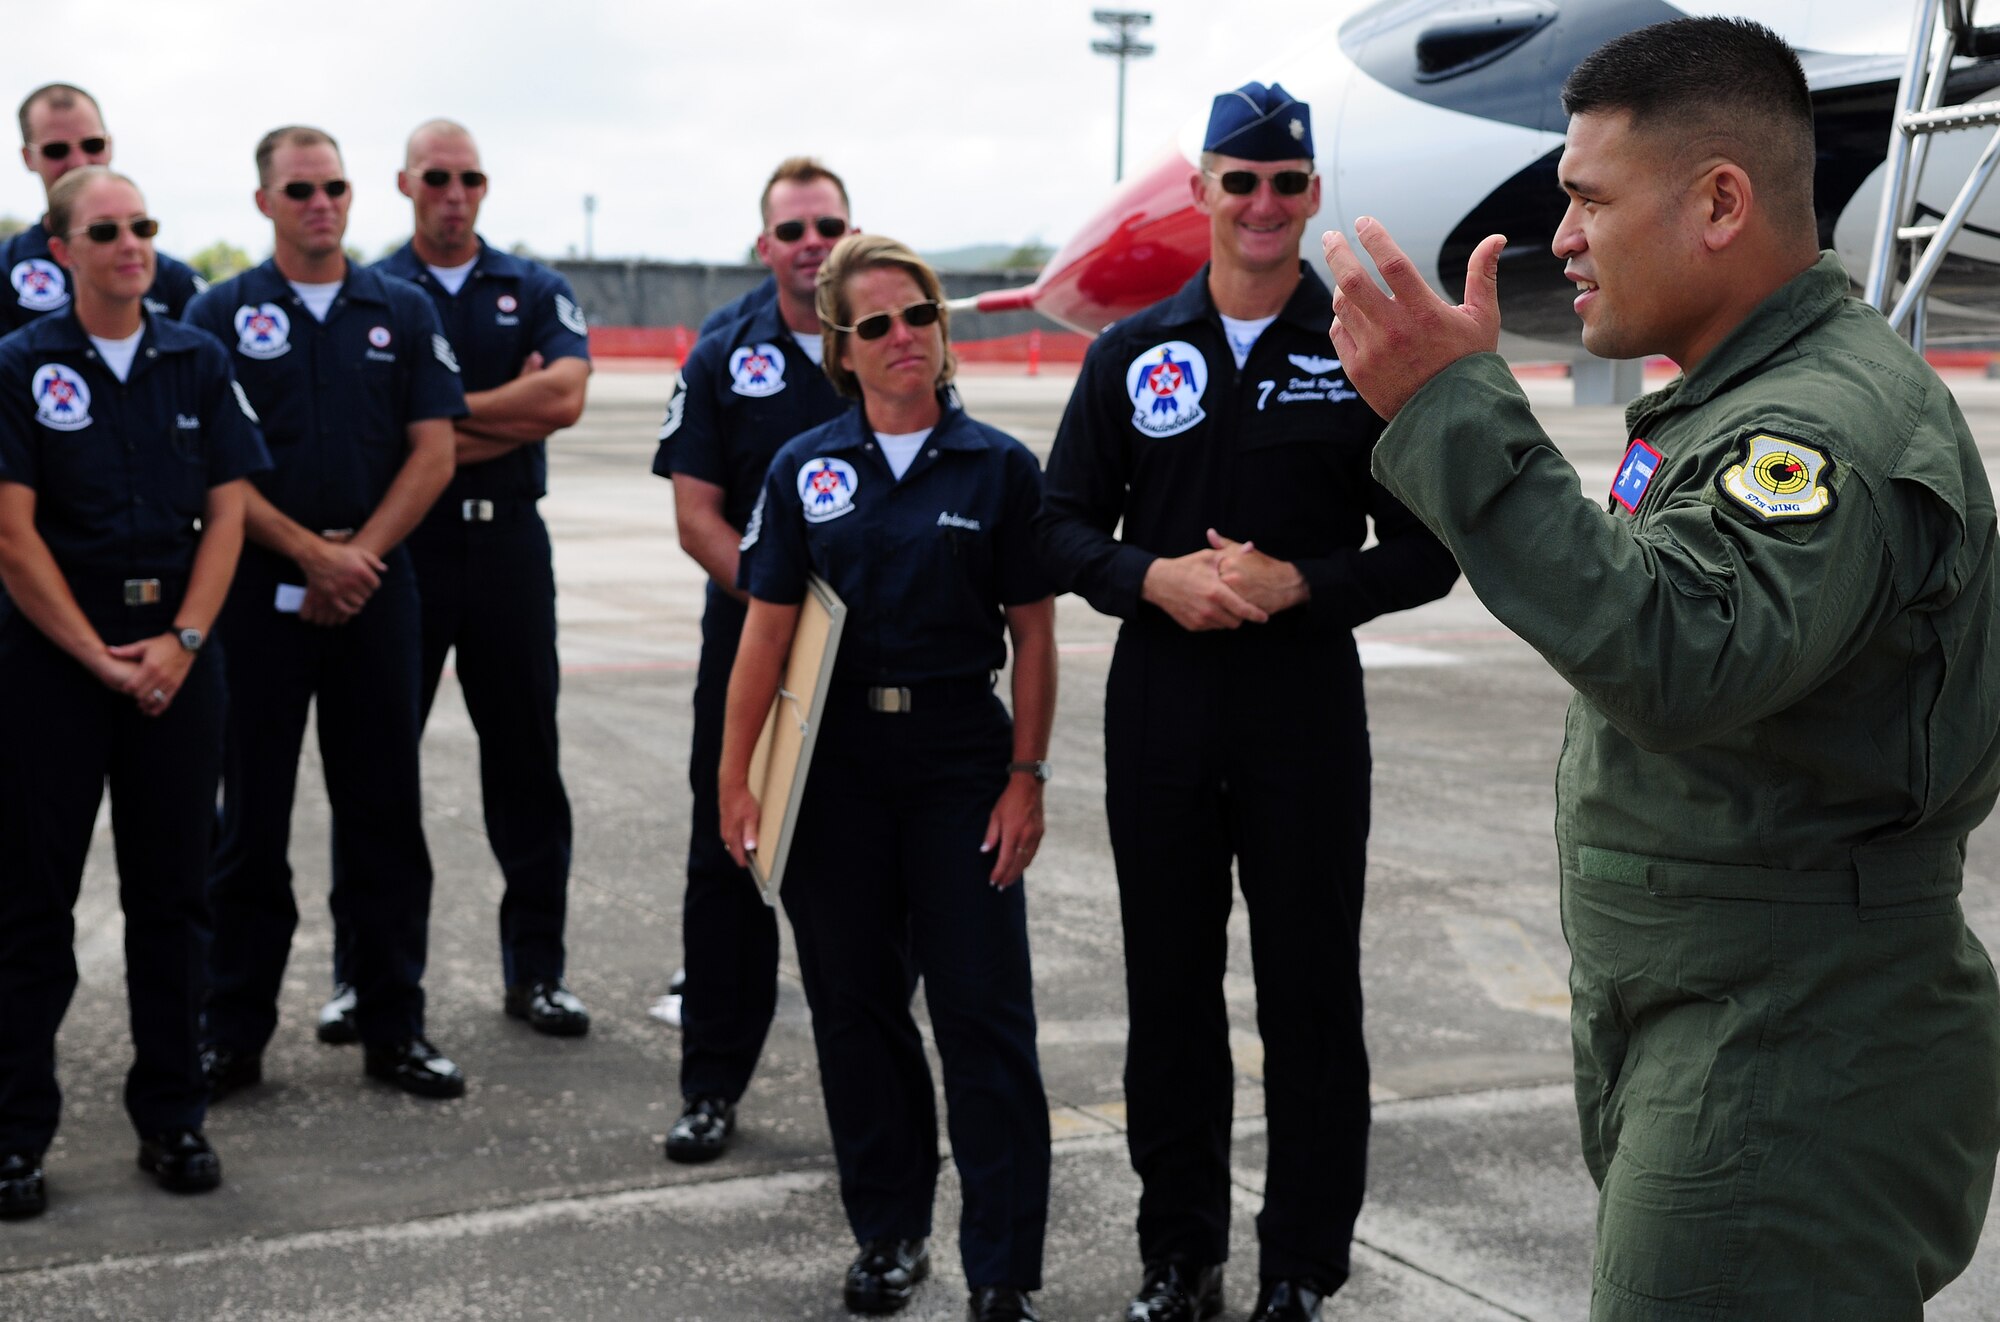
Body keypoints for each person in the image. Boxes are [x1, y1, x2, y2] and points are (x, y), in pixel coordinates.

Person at [1320, 18, 2000, 1319]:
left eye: (1584, 200)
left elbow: (1682, 652)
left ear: (1720, 204)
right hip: (1729, 1018)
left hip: (1791, 1047)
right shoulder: (1736, 403)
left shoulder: (1812, 429)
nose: (1558, 238)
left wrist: (1457, 416)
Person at [1035, 83, 1460, 1322]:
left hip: (1301, 715)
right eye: (1240, 180)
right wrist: (1150, 575)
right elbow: (1056, 525)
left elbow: (1428, 549)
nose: (1262, 203)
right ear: (1204, 192)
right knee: (1168, 992)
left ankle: (1298, 1267)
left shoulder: (1361, 349)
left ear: (1312, 193)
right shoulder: (1130, 354)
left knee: (1310, 992)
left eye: (1285, 182)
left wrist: (1301, 582)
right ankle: (1180, 1254)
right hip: (1161, 711)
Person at [720, 234, 1054, 1322]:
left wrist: (1026, 776)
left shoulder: (997, 465)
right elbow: (764, 639)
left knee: (982, 1014)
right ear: (843, 348)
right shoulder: (803, 468)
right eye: (877, 325)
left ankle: (1000, 1265)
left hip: (961, 760)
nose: (904, 336)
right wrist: (736, 780)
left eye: (918, 314)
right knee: (856, 1011)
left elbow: (1035, 640)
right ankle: (889, 1231)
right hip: (837, 775)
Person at [0, 167, 268, 1217]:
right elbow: (12, 537)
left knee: (176, 897)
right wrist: (98, 655)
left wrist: (183, 639)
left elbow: (231, 510)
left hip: (177, 652)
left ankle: (173, 1115)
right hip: (51, 660)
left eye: (143, 227)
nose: (130, 244)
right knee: (29, 905)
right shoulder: (21, 363)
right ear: (60, 250)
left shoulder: (197, 357)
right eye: (105, 230)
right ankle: (16, 1132)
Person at [186, 126, 469, 1101]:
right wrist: (310, 554)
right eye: (300, 189)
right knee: (248, 821)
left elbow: (432, 449)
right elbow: (212, 466)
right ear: (263, 201)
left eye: (336, 187)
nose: (321, 204)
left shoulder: (400, 306)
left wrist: (357, 558)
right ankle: (232, 1031)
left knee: (385, 810)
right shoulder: (217, 313)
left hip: (376, 590)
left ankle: (395, 1023)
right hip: (260, 595)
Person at [310, 119, 592, 1044]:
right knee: (377, 771)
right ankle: (366, 977)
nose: (455, 193)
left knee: (525, 767)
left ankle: (537, 974)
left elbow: (565, 398)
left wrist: (435, 414)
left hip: (509, 548)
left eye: (470, 177)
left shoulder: (532, 287)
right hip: (407, 553)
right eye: (437, 177)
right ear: (403, 184)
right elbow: (381, 432)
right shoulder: (374, 291)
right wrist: (496, 414)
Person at [652, 155, 850, 1161]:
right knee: (727, 859)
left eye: (827, 225)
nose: (811, 243)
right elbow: (695, 515)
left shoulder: (893, 332)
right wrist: (785, 616)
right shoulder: (724, 351)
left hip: (881, 657)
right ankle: (710, 1086)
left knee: (873, 872)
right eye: (792, 229)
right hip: (750, 651)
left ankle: (873, 1102)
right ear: (764, 243)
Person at [4, 85, 205, 332]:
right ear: (28, 158)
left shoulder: (175, 281)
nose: (79, 162)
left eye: (92, 145)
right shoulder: (5, 274)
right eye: (56, 150)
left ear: (109, 146)